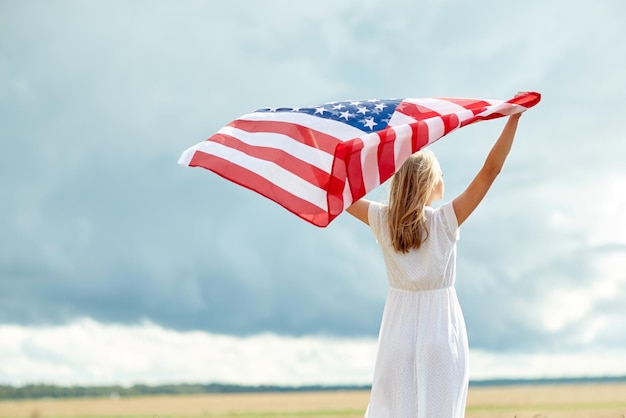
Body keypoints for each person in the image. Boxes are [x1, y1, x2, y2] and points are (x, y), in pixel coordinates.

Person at [347, 111, 523, 417]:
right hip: (442, 331)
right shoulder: (445, 220)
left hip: (396, 332)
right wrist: (514, 118)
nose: (443, 179)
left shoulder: (382, 220)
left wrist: (314, 152)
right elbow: (490, 170)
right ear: (429, 183)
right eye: (440, 174)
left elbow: (340, 193)